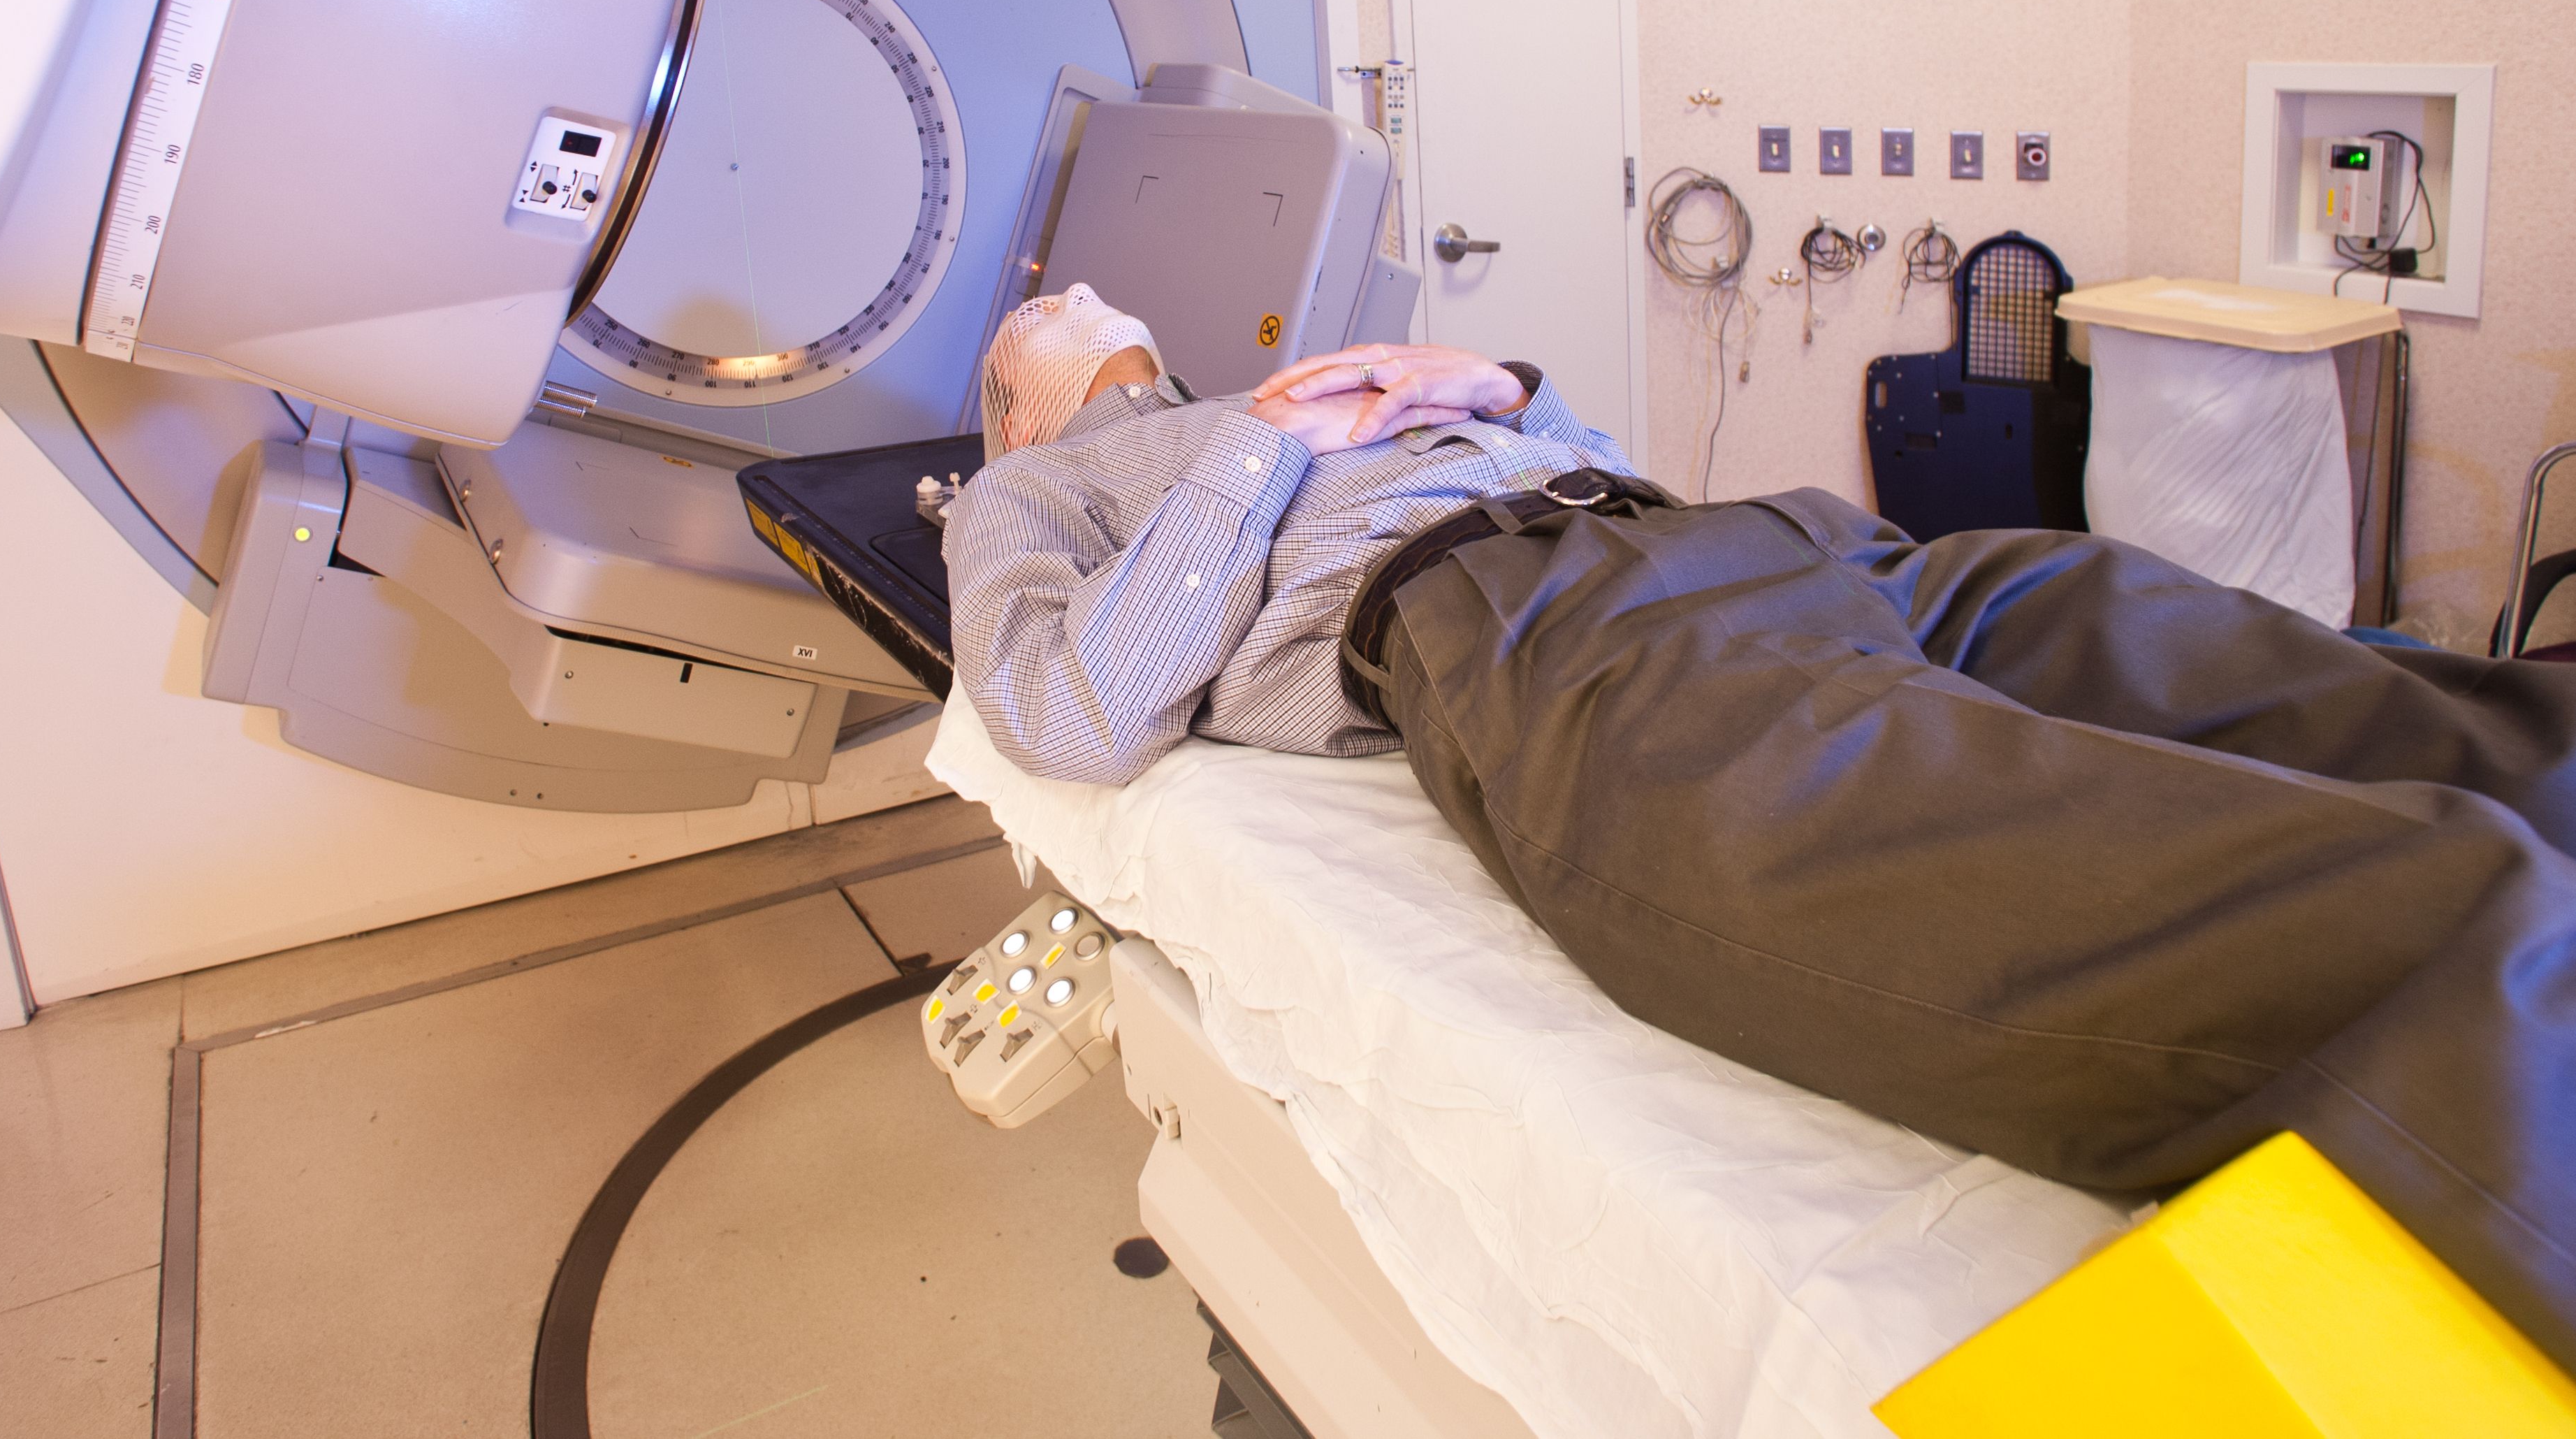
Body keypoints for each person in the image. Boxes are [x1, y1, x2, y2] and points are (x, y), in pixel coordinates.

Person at [943, 284, 2576, 1374]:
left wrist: (1505, 388)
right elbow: (1079, 717)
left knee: (2392, 703)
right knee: (2391, 919)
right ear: (1016, 411)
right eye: (1040, 313)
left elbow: (1573, 458)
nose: (1079, 299)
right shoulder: (1052, 491)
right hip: (1550, 643)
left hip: (1792, 548)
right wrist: (1252, 452)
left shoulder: (1314, 377)